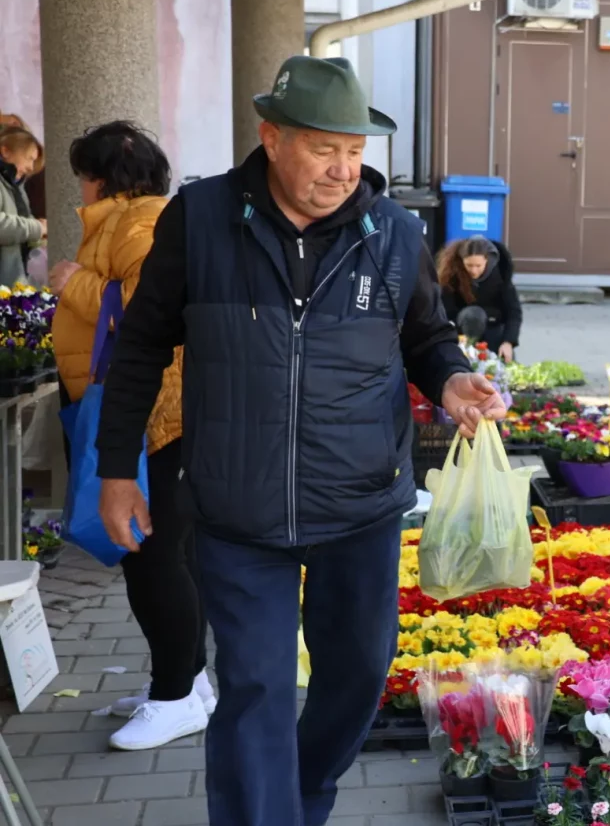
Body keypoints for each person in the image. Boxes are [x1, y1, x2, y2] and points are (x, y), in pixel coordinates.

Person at [94, 56, 505, 826]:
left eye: (355, 151)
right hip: (237, 508)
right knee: (255, 688)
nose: (342, 170)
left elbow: (426, 336)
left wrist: (451, 380)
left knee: (356, 678)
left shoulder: (394, 233)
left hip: (360, 504)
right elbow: (141, 345)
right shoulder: (200, 218)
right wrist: (116, 470)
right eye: (323, 149)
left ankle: (304, 795)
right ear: (272, 138)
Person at [50, 121, 214, 750]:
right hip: (151, 414)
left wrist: (74, 283)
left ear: (99, 177)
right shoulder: (129, 218)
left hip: (159, 416)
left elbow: (149, 308)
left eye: (82, 177)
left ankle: (176, 698)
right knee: (168, 554)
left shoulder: (139, 220)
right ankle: (187, 684)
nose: (80, 189)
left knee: (150, 557)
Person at [437, 235, 522, 361]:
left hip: (493, 325)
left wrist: (508, 342)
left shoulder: (501, 275)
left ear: (488, 260)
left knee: (502, 360)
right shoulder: (451, 276)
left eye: (478, 265)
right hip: (463, 327)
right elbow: (445, 312)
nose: (474, 271)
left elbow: (514, 312)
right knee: (473, 315)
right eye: (469, 265)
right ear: (461, 261)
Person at [0, 127, 46, 286]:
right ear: (5, 151)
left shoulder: (15, 185)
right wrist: (37, 227)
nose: (31, 167)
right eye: (29, 158)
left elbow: (21, 220)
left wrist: (40, 234)